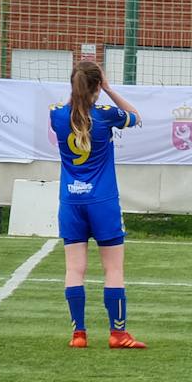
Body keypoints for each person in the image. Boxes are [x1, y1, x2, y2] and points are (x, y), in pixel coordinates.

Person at [50, 61, 148, 349]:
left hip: (71, 201)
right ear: (97, 85)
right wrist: (109, 89)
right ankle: (118, 333)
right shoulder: (105, 115)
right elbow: (135, 117)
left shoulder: (56, 115)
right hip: (102, 201)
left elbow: (71, 111)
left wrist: (83, 93)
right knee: (113, 270)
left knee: (74, 269)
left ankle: (78, 334)